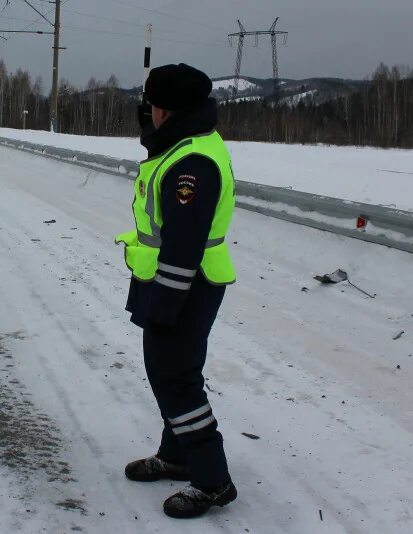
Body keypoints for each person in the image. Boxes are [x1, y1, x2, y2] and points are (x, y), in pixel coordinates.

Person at [115, 63, 238, 519]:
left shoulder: (192, 164)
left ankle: (212, 478)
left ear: (167, 109)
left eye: (152, 107)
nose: (147, 114)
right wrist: (155, 134)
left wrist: (165, 303)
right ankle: (177, 454)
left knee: (176, 378)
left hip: (187, 283)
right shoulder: (185, 143)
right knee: (172, 372)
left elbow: (184, 245)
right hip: (178, 281)